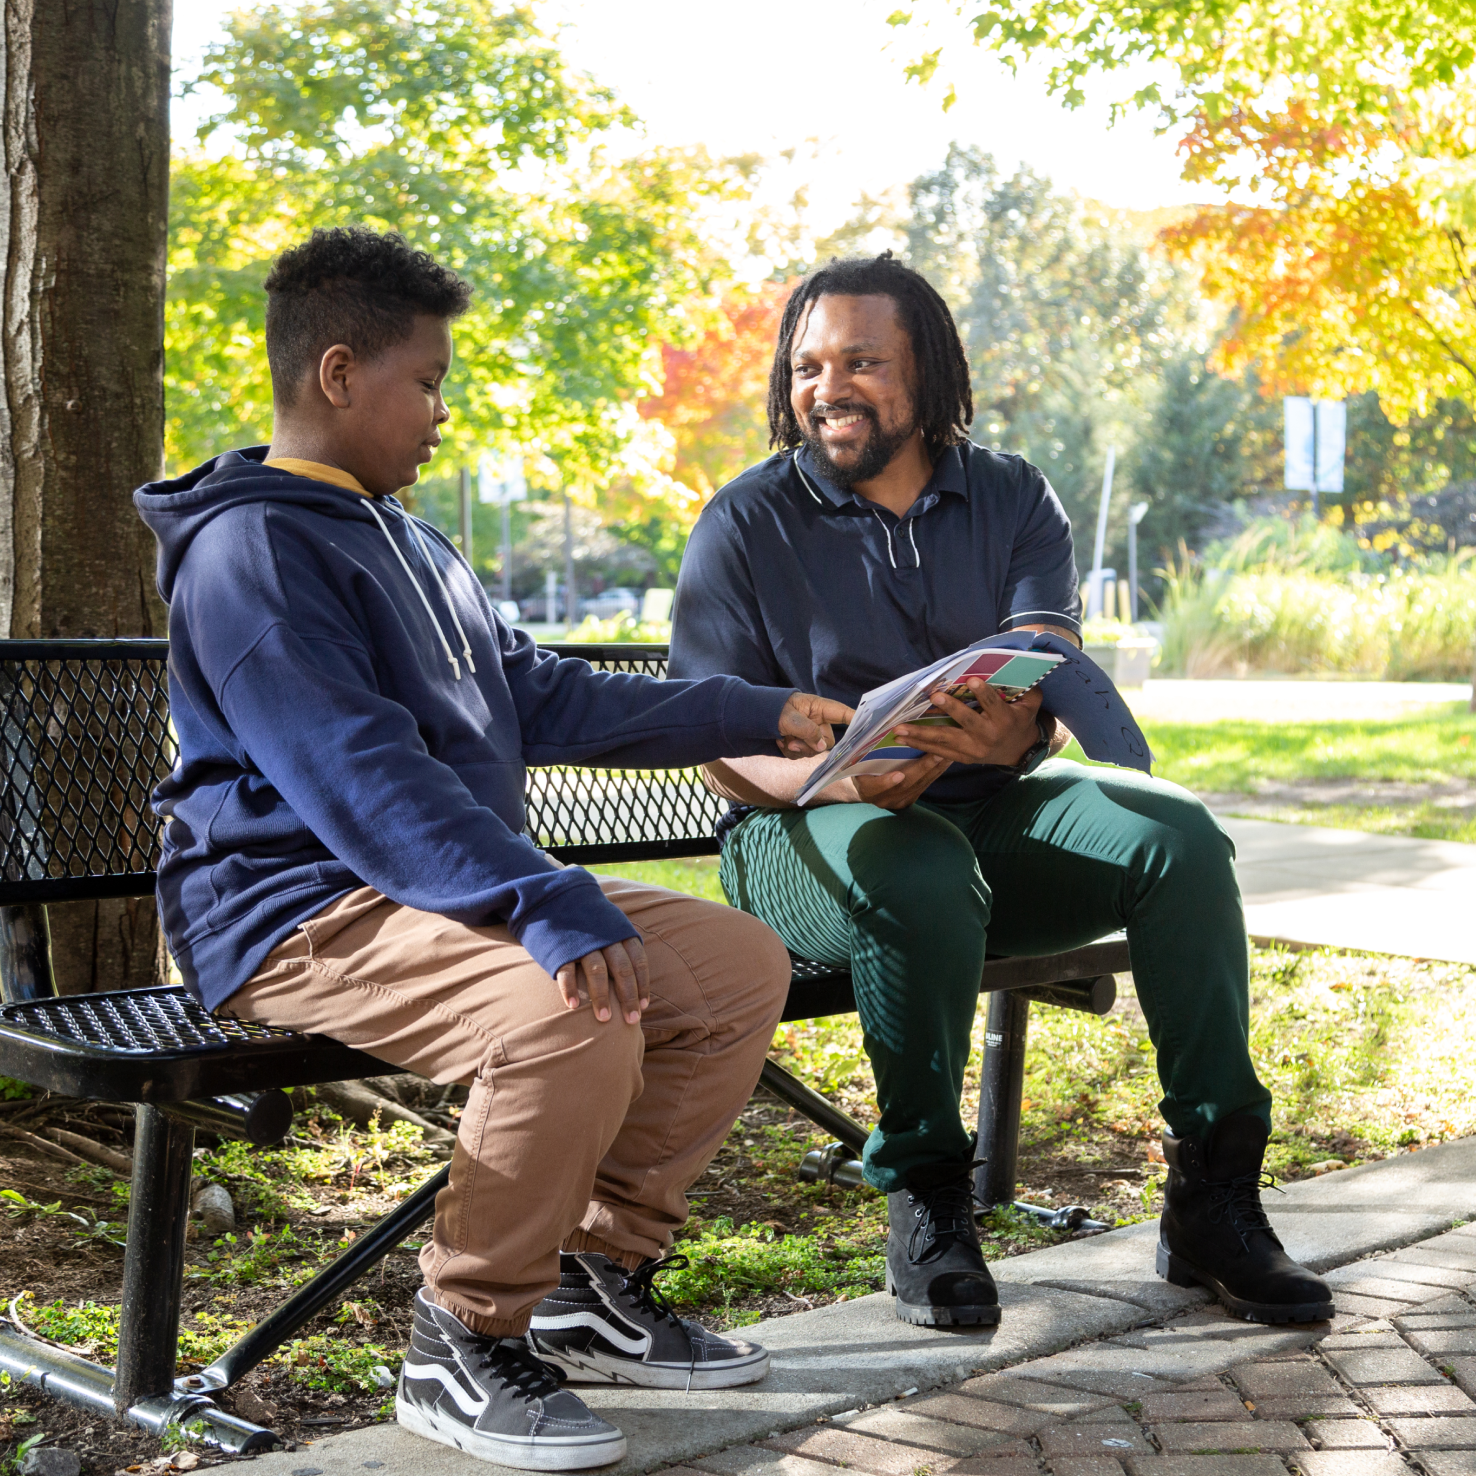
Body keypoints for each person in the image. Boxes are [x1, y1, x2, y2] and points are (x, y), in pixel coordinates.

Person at [134, 227, 852, 1471]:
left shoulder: (407, 540)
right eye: (427, 382)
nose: (442, 412)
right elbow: (363, 781)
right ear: (340, 373)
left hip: (429, 890)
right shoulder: (255, 553)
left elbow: (543, 695)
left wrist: (752, 708)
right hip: (296, 911)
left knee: (736, 961)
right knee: (569, 1004)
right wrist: (544, 898)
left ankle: (590, 1275)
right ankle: (460, 1336)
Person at [669, 251, 1333, 1332]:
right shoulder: (744, 523)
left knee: (1177, 837)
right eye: (806, 366)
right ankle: (930, 1201)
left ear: (928, 373)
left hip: (988, 816)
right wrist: (841, 775)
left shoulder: (1015, 494)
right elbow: (716, 738)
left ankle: (1214, 1194)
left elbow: (1044, 661)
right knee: (916, 863)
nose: (827, 388)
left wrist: (1016, 718)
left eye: (863, 361)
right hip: (800, 838)